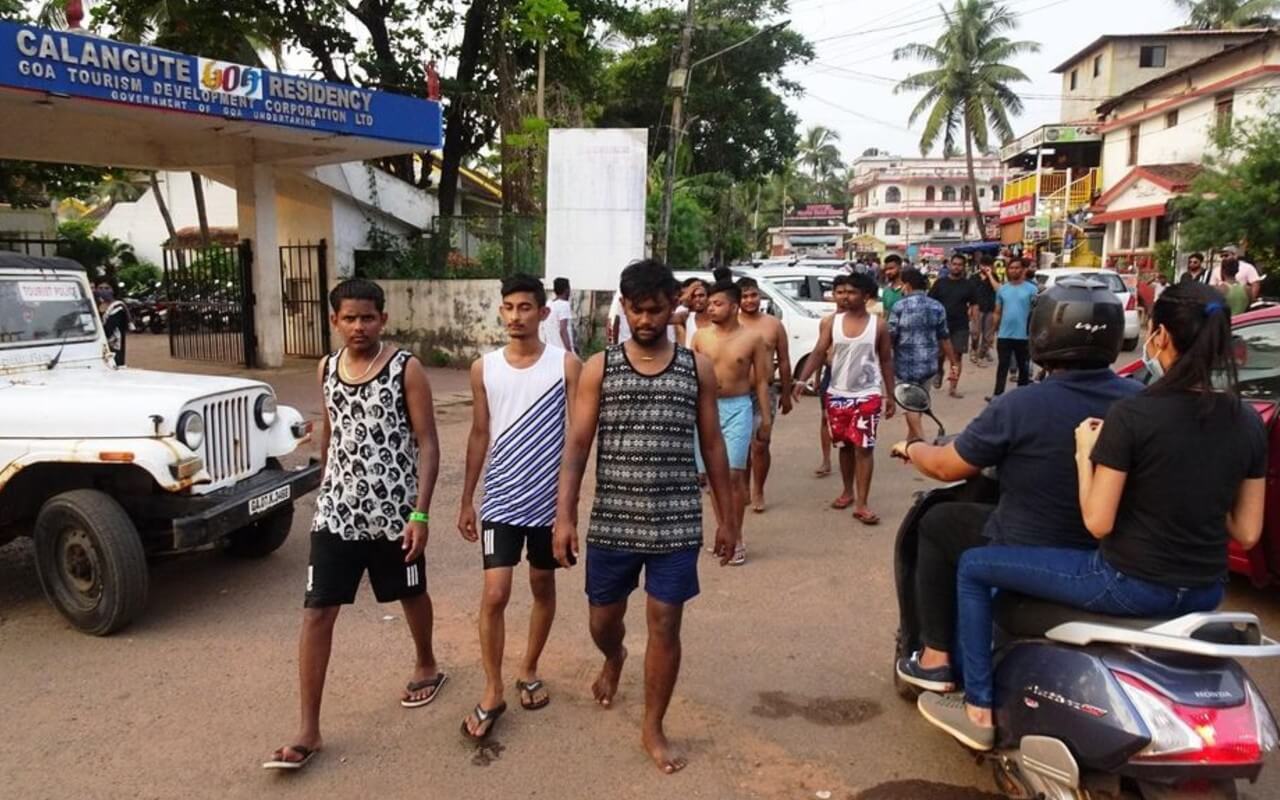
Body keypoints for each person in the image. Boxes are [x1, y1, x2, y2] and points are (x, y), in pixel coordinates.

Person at [919, 281, 1266, 751]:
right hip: (1205, 590)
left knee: (975, 568)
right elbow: (1246, 531)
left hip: (1129, 585)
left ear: (1159, 334)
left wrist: (1086, 455)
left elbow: (1098, 523)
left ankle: (977, 705)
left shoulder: (1134, 414)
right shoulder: (1245, 420)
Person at [890, 277, 1140, 695]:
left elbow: (948, 467)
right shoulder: (1139, 399)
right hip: (1110, 551)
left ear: (1043, 331)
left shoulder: (1020, 404)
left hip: (1032, 546)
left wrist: (912, 447)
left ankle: (935, 658)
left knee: (937, 523)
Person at [553, 258, 739, 775]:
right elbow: (577, 445)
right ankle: (614, 658)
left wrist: (728, 518)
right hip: (613, 520)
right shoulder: (599, 367)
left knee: (665, 624)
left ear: (671, 306)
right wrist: (563, 516)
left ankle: (653, 726)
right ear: (625, 306)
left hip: (676, 520)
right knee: (602, 621)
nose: (645, 320)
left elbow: (714, 444)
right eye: (636, 310)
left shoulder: (694, 367)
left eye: (655, 309)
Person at [265, 279, 444, 771]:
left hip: (395, 514)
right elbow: (331, 427)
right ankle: (308, 728)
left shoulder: (407, 369)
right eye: (350, 318)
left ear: (383, 319)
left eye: (368, 317)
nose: (359, 326)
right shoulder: (325, 368)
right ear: (334, 321)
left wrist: (421, 513)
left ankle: (427, 662)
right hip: (338, 513)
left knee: (410, 594)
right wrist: (324, 484)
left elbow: (428, 443)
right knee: (317, 611)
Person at [457, 275, 582, 740]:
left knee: (542, 586)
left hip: (547, 504)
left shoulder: (566, 366)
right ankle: (492, 689)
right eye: (508, 307)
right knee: (494, 594)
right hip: (501, 500)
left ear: (543, 313)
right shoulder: (483, 368)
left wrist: (567, 510)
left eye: (525, 308)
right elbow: (479, 434)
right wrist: (467, 498)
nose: (515, 316)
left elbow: (577, 438)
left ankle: (529, 668)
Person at [793, 273, 895, 525]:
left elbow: (885, 359)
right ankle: (847, 491)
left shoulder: (878, 325)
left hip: (867, 394)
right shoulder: (831, 323)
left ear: (866, 296)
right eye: (842, 291)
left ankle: (862, 503)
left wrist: (890, 394)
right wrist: (801, 380)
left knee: (865, 447)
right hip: (837, 394)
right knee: (846, 445)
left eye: (852, 292)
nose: (845, 296)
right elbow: (818, 352)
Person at [692, 280, 772, 564]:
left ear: (734, 306)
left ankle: (736, 536)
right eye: (709, 303)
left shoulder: (753, 339)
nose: (711, 308)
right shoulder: (700, 337)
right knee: (714, 478)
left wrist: (766, 419)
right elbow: (692, 377)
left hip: (739, 407)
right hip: (706, 408)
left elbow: (762, 381)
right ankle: (722, 530)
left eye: (717, 303)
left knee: (735, 475)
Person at [737, 276, 793, 513]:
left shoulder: (773, 325)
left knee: (761, 443)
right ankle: (743, 488)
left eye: (754, 295)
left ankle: (758, 489)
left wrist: (787, 394)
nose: (750, 300)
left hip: (766, 393)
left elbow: (785, 360)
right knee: (741, 446)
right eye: (744, 296)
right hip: (736, 393)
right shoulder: (729, 324)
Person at [888, 268, 957, 442]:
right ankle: (911, 443)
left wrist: (884, 358)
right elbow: (945, 337)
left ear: (908, 285)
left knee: (909, 405)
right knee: (918, 404)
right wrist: (953, 362)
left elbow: (891, 335)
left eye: (902, 285)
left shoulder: (899, 306)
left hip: (905, 364)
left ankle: (921, 441)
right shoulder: (937, 306)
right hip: (929, 365)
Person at [928, 255, 979, 398]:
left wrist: (976, 325)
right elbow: (930, 302)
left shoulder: (968, 285)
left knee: (956, 357)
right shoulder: (940, 283)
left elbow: (974, 305)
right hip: (940, 326)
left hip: (961, 326)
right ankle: (939, 371)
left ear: (964, 267)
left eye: (960, 265)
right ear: (949, 265)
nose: (957, 267)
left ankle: (953, 387)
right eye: (954, 264)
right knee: (939, 355)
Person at [990, 257, 1037, 399]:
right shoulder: (1002, 290)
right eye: (1011, 268)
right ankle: (997, 395)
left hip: (1024, 335)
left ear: (1023, 270)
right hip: (1004, 335)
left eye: (1017, 268)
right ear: (1007, 270)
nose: (1014, 270)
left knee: (1023, 367)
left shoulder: (1032, 289)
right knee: (1002, 366)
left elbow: (1036, 312)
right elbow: (997, 312)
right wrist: (992, 332)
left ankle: (1021, 396)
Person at [968, 256, 998, 366]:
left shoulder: (994, 276)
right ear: (979, 265)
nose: (985, 267)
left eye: (988, 265)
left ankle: (981, 354)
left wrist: (990, 275)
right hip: (977, 308)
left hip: (990, 308)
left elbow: (998, 289)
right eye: (983, 265)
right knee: (975, 332)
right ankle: (974, 350)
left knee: (988, 335)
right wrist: (969, 308)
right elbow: (969, 294)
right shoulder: (973, 277)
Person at [95, 283, 128, 367]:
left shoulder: (117, 307)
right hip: (97, 342)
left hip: (114, 343)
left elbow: (110, 328)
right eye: (100, 288)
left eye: (107, 288)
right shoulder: (95, 305)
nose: (103, 291)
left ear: (113, 290)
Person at [539, 276, 575, 352]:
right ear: (567, 290)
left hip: (550, 349)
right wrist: (569, 350)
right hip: (562, 350)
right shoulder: (564, 305)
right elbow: (563, 330)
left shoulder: (548, 304)